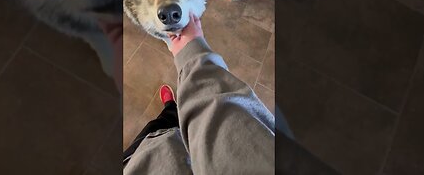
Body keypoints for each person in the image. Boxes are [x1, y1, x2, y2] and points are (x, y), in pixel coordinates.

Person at [101, 12, 289, 174]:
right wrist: (192, 52)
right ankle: (173, 112)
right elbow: (235, 134)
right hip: (171, 156)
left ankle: (170, 109)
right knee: (187, 131)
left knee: (156, 127)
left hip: (138, 161)